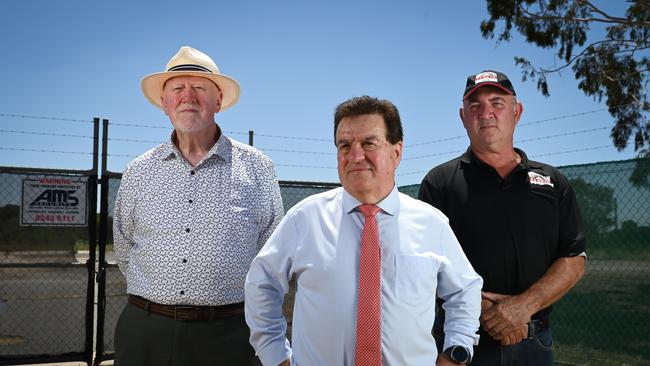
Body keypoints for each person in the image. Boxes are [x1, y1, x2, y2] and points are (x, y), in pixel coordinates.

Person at [245, 96, 482, 366]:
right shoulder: (305, 219)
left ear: (397, 152)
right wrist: (276, 356)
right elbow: (261, 283)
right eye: (344, 146)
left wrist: (457, 350)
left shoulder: (431, 223)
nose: (356, 156)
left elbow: (465, 288)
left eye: (369, 143)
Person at [112, 46, 283, 366]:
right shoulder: (138, 170)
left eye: (199, 88)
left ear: (218, 100)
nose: (187, 96)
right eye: (177, 88)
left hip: (230, 336)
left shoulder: (257, 167)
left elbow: (270, 251)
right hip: (146, 332)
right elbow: (124, 247)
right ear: (164, 103)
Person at [418, 70, 587, 365]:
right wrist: (483, 309)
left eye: (497, 103)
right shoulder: (440, 182)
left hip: (533, 339)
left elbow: (574, 257)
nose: (486, 113)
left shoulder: (551, 181)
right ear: (463, 117)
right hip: (460, 341)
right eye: (475, 106)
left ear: (516, 111)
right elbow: (426, 264)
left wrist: (523, 307)